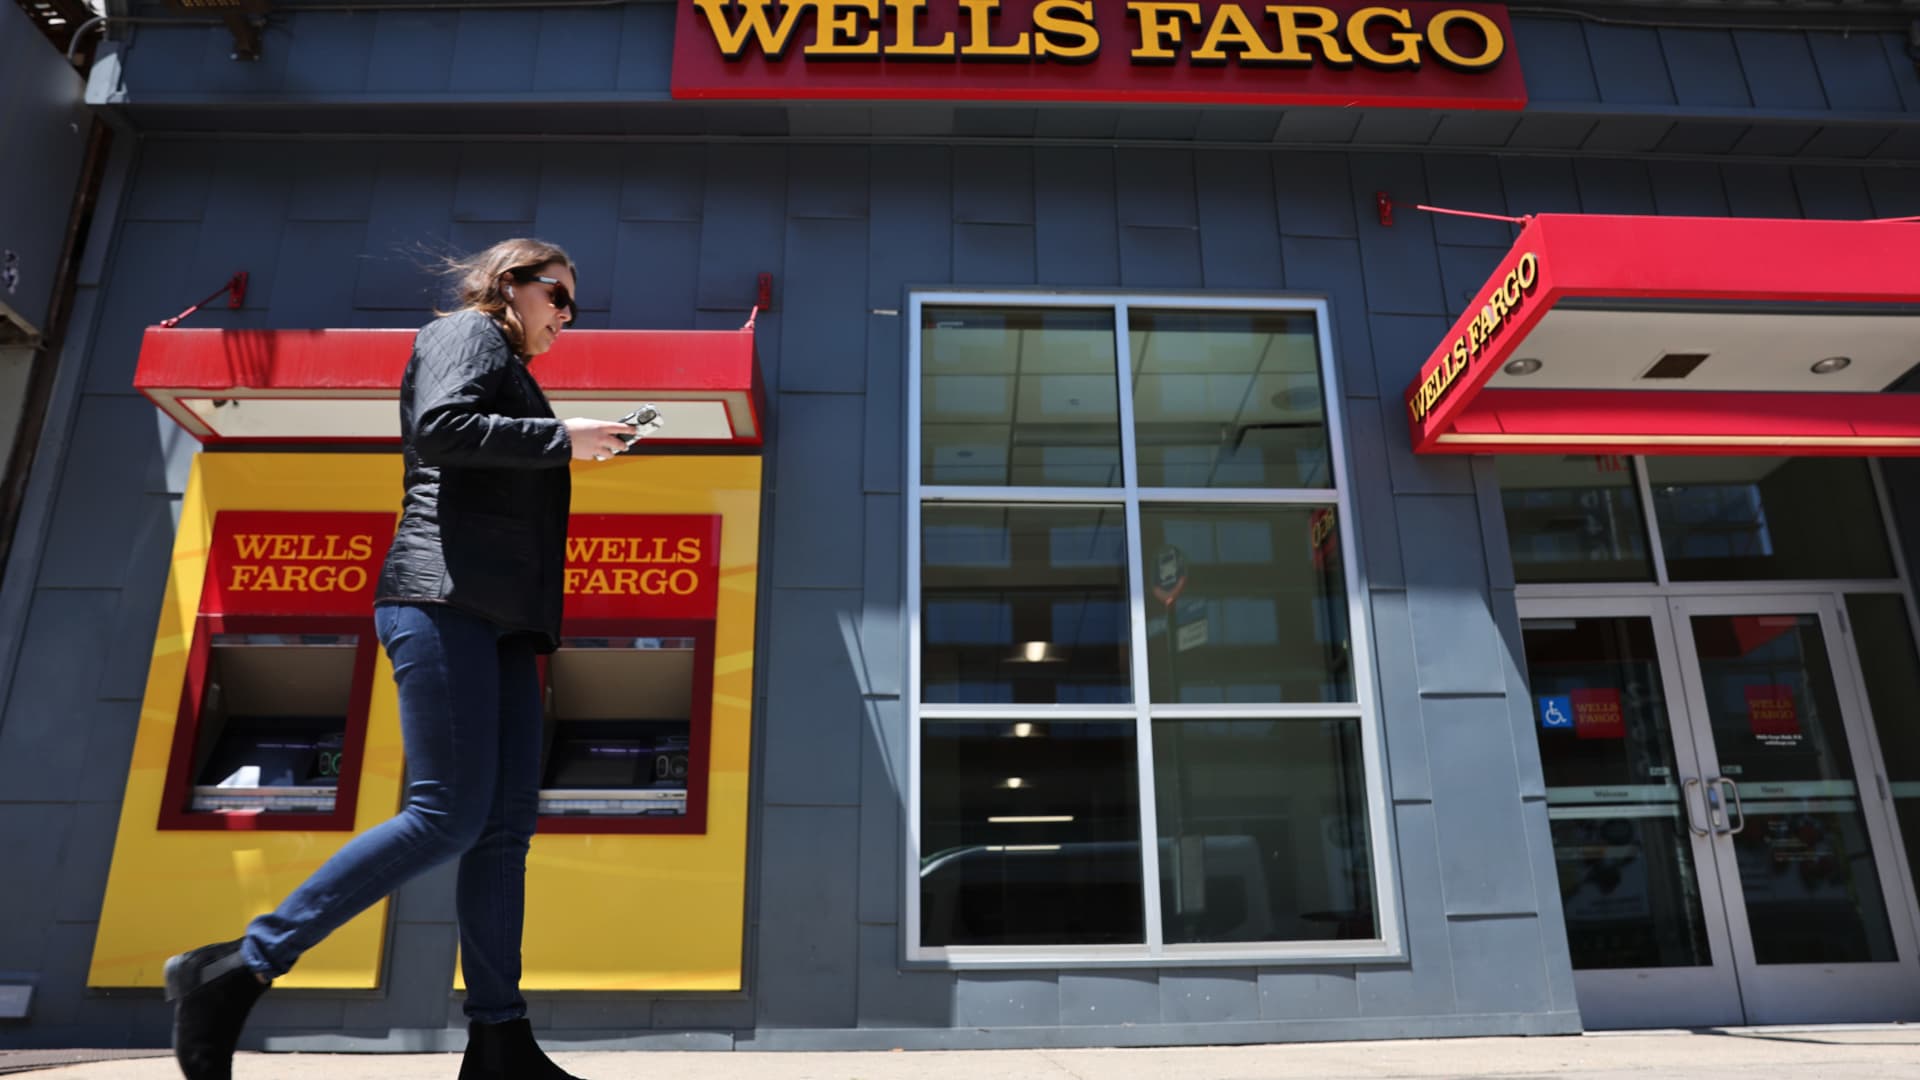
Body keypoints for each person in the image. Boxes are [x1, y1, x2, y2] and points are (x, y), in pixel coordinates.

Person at [162, 239, 637, 1080]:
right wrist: (563, 438)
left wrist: (560, 439)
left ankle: (499, 1042)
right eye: (558, 296)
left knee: (503, 833)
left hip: (504, 621)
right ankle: (239, 966)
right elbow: (442, 428)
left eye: (574, 305)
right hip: (440, 597)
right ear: (510, 285)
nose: (567, 317)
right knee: (446, 813)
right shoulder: (467, 331)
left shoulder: (516, 371)